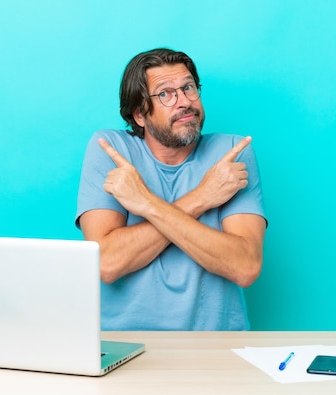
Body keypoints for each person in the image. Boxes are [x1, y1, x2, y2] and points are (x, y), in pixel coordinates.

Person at [75, 48, 267, 331]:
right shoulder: (111, 149)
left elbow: (245, 266)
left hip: (216, 344)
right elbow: (107, 263)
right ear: (139, 114)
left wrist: (147, 204)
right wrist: (202, 197)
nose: (184, 102)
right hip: (126, 342)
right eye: (165, 94)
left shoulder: (230, 153)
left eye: (188, 88)